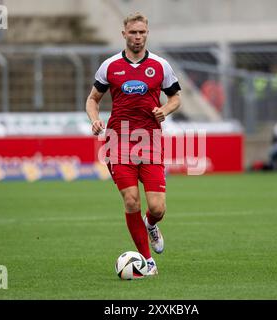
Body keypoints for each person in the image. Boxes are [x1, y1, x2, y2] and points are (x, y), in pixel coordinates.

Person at [85, 12, 181, 276]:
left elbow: (175, 98)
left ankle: (151, 225)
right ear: (124, 34)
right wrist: (94, 120)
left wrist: (166, 110)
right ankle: (148, 261)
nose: (137, 37)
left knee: (157, 208)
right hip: (118, 142)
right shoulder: (110, 66)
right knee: (130, 202)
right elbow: (92, 99)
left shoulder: (161, 66)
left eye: (142, 32)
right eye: (133, 32)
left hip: (150, 142)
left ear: (147, 33)